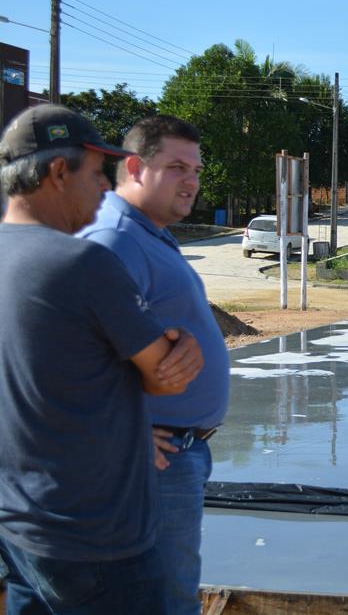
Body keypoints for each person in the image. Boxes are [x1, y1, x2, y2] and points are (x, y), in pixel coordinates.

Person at [0, 104, 204, 614]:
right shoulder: (84, 261)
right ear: (58, 171)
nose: (104, 189)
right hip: (92, 531)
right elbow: (166, 374)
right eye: (95, 175)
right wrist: (182, 357)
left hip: (20, 520)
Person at [79, 115, 229, 615]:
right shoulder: (115, 240)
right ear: (136, 167)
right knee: (162, 602)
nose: (192, 180)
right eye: (177, 167)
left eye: (197, 169)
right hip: (153, 462)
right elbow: (67, 351)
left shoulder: (150, 232)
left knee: (169, 595)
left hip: (173, 454)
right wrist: (125, 431)